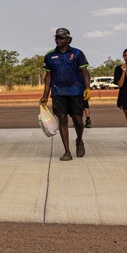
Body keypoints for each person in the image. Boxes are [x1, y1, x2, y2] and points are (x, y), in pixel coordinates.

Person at [39, 27, 91, 162]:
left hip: (76, 92)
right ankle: (67, 151)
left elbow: (85, 72)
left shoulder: (77, 53)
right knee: (62, 119)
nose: (58, 40)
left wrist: (87, 88)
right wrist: (45, 95)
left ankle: (79, 140)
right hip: (58, 92)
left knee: (78, 121)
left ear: (68, 39)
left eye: (61, 38)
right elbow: (48, 76)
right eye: (57, 37)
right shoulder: (50, 55)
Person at [114, 48, 127, 151]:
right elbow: (120, 84)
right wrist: (123, 72)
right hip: (126, 97)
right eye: (125, 55)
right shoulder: (119, 68)